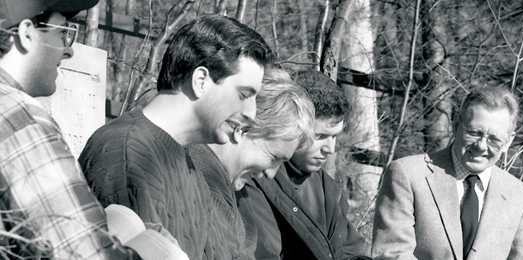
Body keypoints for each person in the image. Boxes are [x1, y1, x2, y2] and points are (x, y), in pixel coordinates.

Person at [79, 15, 273, 260]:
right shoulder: (129, 155)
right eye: (244, 94)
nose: (251, 114)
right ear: (201, 80)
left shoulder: (189, 162)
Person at [0, 0, 146, 259]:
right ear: (25, 34)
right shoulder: (17, 115)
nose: (69, 52)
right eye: (62, 33)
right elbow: (84, 253)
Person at [371, 87, 523, 260]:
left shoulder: (521, 196)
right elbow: (392, 253)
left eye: (494, 139)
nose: (481, 146)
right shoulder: (407, 175)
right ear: (456, 124)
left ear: (508, 141)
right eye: (473, 133)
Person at [186, 67, 315, 259]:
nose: (271, 174)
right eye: (274, 158)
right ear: (243, 129)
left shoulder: (237, 199)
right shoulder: (188, 182)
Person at [240, 70, 371, 260]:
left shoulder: (329, 190)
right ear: (296, 127)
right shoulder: (256, 178)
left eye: (335, 136)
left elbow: (349, 252)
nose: (330, 148)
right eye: (320, 136)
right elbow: (266, 254)